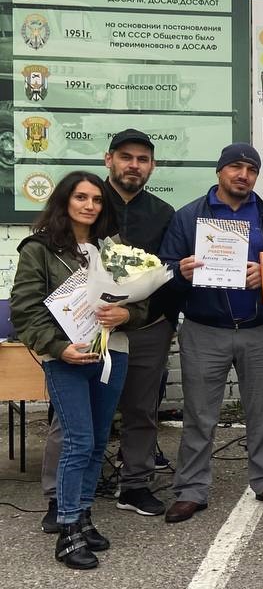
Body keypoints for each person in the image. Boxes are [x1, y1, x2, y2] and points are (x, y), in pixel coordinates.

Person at [38, 129, 179, 528]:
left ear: (152, 166)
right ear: (109, 159)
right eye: (126, 157)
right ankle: (59, 496)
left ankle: (134, 484)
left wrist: (151, 314)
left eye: (142, 159)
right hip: (84, 327)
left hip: (146, 326)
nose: (134, 165)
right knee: (71, 419)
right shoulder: (91, 205)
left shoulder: (163, 213)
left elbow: (165, 270)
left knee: (142, 410)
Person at [159, 143, 263, 523]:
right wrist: (180, 272)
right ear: (220, 171)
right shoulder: (189, 217)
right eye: (236, 167)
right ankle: (191, 488)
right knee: (199, 414)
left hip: (260, 330)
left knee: (261, 411)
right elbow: (164, 270)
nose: (243, 175)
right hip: (205, 330)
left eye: (251, 170)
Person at [11, 172, 145, 569]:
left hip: (112, 354)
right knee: (78, 441)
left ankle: (83, 516)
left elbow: (140, 304)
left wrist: (126, 315)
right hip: (67, 358)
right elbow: (25, 309)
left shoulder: (114, 249)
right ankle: (67, 528)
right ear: (64, 201)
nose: (89, 205)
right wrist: (58, 348)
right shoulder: (40, 249)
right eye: (81, 197)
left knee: (98, 439)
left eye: (97, 199)